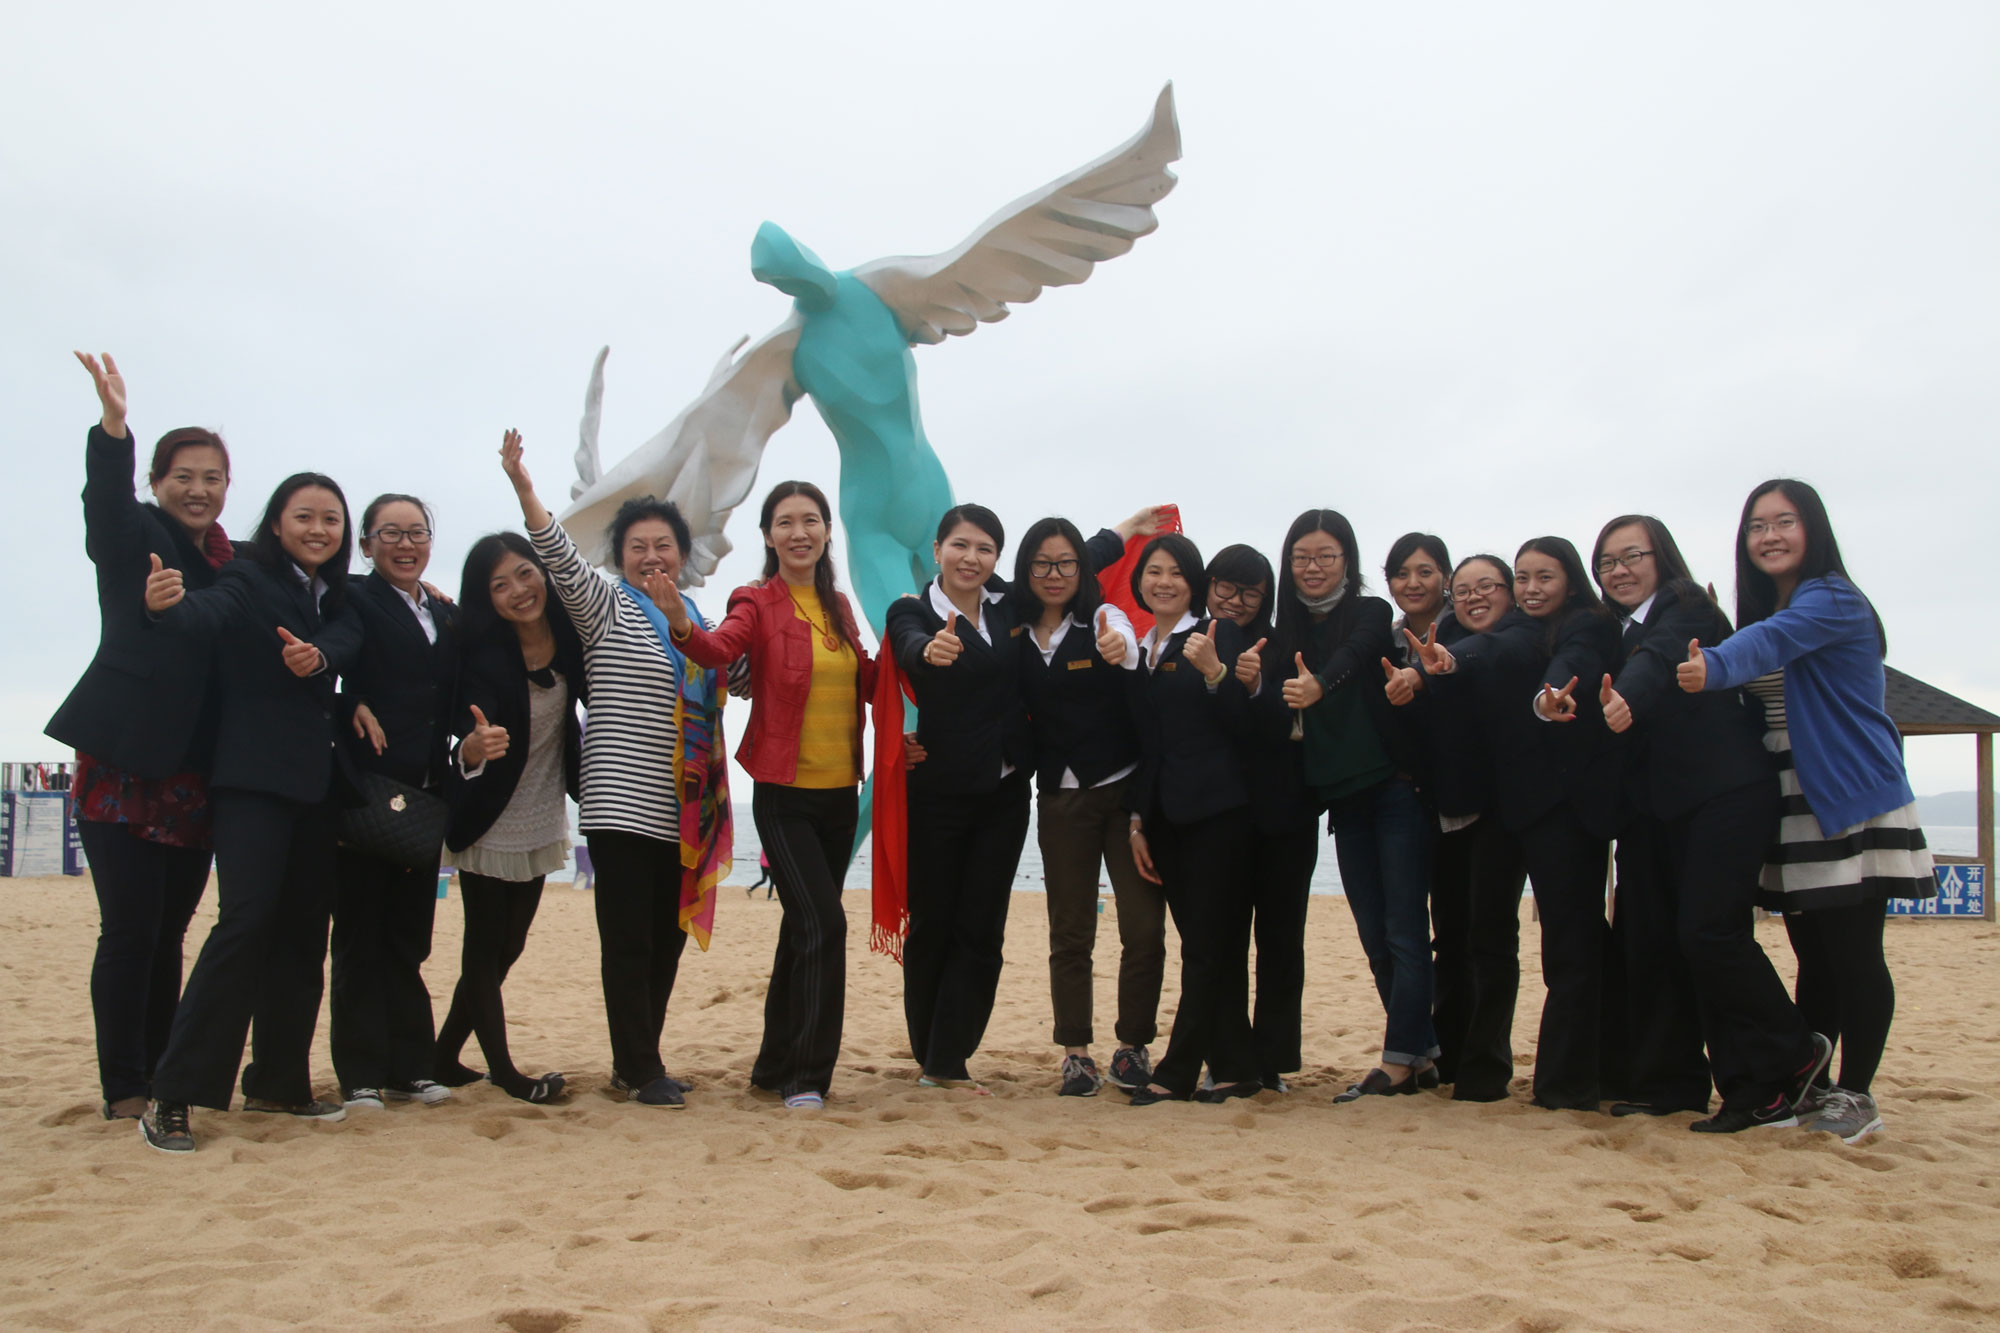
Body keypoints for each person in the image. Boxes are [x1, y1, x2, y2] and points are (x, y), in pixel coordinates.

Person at [1678, 479, 1931, 1143]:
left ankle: (1858, 1092)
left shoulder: (1832, 598)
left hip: (1846, 788)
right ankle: (1810, 1089)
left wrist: (1716, 662)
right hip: (1790, 792)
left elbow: (1768, 646)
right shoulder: (1772, 608)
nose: (1769, 536)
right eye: (1757, 526)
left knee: (1854, 952)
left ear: (1813, 529)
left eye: (1784, 521)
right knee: (1812, 953)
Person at [500, 430, 730, 1109]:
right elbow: (559, 557)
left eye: (663, 545)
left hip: (684, 807)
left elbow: (739, 671)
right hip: (621, 802)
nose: (651, 555)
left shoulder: (698, 622)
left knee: (666, 941)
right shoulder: (606, 607)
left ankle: (639, 1061)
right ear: (620, 557)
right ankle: (639, 1064)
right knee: (628, 940)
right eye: (637, 546)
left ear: (683, 555)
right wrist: (526, 489)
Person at [135, 473, 365, 1152]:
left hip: (315, 788)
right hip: (252, 783)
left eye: (331, 519)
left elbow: (350, 634)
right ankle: (172, 1094)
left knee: (303, 935)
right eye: (304, 516)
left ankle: (278, 1083)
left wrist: (322, 660)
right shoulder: (247, 576)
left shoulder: (335, 595)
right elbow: (207, 612)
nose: (319, 529)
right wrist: (165, 607)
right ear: (276, 522)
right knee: (243, 926)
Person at [1594, 513, 1829, 1132]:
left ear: (1662, 558)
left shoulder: (1689, 607)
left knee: (1709, 935)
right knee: (1652, 942)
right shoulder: (1613, 628)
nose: (1619, 571)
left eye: (1633, 556)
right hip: (1655, 809)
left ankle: (1784, 1062)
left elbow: (1660, 658)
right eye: (1607, 562)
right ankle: (1671, 1085)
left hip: (1724, 793)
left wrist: (1625, 697)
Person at [48, 353, 235, 1122]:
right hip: (123, 762)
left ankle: (163, 1070)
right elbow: (104, 508)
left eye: (212, 478)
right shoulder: (138, 534)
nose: (198, 489)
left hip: (194, 772)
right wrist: (113, 429)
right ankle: (124, 1084)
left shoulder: (230, 562)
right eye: (183, 475)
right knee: (129, 930)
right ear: (157, 482)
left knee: (171, 935)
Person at [659, 480, 876, 1111]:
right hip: (784, 795)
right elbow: (719, 649)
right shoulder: (754, 599)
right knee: (825, 924)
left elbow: (867, 679)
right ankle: (806, 1077)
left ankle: (772, 1064)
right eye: (785, 522)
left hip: (841, 795)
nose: (799, 532)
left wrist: (918, 652)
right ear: (768, 535)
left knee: (801, 928)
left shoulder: (839, 605)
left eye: (811, 520)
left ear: (827, 532)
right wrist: (681, 624)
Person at [1411, 537, 1620, 1110]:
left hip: (1558, 806)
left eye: (1538, 578)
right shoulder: (1469, 637)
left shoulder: (1560, 628)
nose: (1530, 589)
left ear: (1570, 580)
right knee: (1478, 940)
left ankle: (1565, 1079)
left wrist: (1460, 663)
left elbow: (1527, 656)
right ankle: (1477, 1068)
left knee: (1562, 944)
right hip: (1493, 808)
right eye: (1463, 590)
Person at [1277, 511, 1436, 1103]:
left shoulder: (1369, 612)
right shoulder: (1286, 627)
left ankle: (1397, 1061)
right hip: (1342, 799)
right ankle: (1421, 1053)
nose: (1313, 567)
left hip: (1394, 788)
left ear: (1348, 560)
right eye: (1302, 557)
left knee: (1404, 931)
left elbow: (1355, 652)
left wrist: (1319, 684)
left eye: (1326, 556)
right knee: (1374, 934)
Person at [883, 504, 1033, 1093]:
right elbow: (907, 644)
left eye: (985, 549)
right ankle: (932, 1052)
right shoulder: (913, 609)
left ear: (997, 556)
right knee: (932, 926)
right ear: (938, 549)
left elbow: (1071, 560)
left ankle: (948, 1058)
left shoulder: (1009, 605)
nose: (972, 559)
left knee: (983, 930)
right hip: (938, 792)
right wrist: (929, 651)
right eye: (960, 545)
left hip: (1005, 792)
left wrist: (1130, 528)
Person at [434, 532, 584, 1104]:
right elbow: (460, 723)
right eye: (500, 585)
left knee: (511, 945)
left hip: (542, 810)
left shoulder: (568, 631)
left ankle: (442, 1055)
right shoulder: (480, 649)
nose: (519, 591)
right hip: (489, 814)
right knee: (483, 945)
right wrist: (472, 746)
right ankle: (505, 1072)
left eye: (525, 573)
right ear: (486, 598)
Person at [1011, 516, 1153, 1098]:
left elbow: (1126, 644)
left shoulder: (1102, 617)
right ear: (1025, 568)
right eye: (1042, 563)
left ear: (1082, 570)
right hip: (1060, 800)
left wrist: (1121, 646)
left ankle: (1132, 1047)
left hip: (1122, 794)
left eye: (1067, 563)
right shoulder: (1012, 627)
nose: (1055, 574)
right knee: (1070, 933)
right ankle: (1076, 1053)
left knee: (1143, 929)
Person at [1122, 533, 1263, 1106]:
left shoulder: (1217, 633)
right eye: (1153, 571)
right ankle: (1236, 1067)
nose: (1164, 582)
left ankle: (1177, 1071)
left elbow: (1247, 726)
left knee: (1204, 950)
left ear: (1195, 583)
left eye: (1177, 573)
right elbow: (1145, 745)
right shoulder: (1139, 648)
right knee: (1213, 948)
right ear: (1139, 581)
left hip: (1218, 814)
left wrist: (1215, 674)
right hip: (1164, 818)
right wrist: (1137, 821)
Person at [329, 494, 458, 1112]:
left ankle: (411, 1066)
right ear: (365, 544)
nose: (406, 545)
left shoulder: (443, 611)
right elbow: (327, 662)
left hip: (426, 793)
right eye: (391, 533)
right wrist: (347, 702)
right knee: (359, 936)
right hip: (368, 789)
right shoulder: (352, 596)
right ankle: (359, 1072)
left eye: (417, 533)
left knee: (409, 939)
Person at [1384, 551, 1529, 1102]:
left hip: (1502, 810)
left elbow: (1483, 654)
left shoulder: (1516, 636)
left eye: (1486, 586)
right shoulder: (1437, 641)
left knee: (1491, 938)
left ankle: (1486, 1067)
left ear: (1509, 593)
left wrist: (1430, 668)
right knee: (1449, 937)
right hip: (1448, 808)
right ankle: (1450, 1054)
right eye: (1464, 590)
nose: (1474, 598)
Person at [1205, 543, 1313, 1093]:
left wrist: (1253, 685)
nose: (1235, 601)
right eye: (1225, 586)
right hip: (1215, 815)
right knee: (1221, 942)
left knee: (1280, 941)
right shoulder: (1191, 639)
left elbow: (1288, 727)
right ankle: (1227, 1060)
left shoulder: (1284, 644)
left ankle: (1270, 1062)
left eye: (1250, 592)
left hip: (1284, 813)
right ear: (1208, 585)